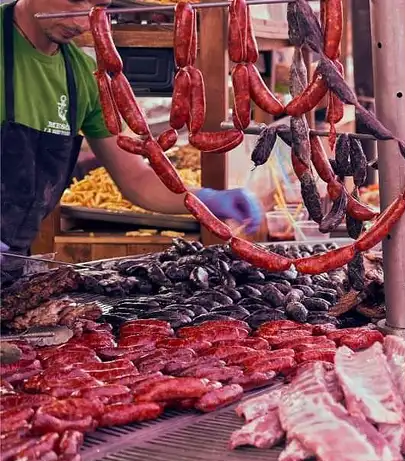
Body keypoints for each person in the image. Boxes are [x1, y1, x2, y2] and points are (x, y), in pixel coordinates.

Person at [0, 0, 261, 283]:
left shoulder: (84, 76)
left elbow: (137, 178)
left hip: (12, 261)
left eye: (99, 6)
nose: (83, 22)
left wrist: (205, 199)